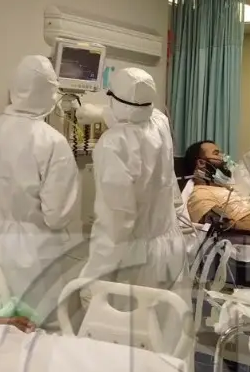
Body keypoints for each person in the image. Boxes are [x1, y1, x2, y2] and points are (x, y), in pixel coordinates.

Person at [0, 55, 80, 327]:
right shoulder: (52, 142)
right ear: (50, 93)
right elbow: (57, 216)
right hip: (31, 260)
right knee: (34, 336)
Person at [76, 68, 186, 296]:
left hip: (137, 259)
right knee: (168, 315)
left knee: (131, 318)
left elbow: (116, 222)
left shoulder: (112, 145)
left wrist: (93, 277)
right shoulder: (160, 123)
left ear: (114, 98)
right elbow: (138, 114)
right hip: (170, 245)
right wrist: (100, 113)